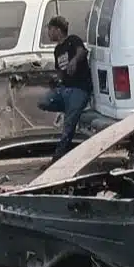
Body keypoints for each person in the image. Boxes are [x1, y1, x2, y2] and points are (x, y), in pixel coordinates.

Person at [40, 16, 93, 161]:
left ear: (57, 30)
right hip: (65, 89)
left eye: (50, 29)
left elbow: (82, 51)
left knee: (68, 127)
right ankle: (71, 110)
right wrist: (56, 79)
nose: (48, 33)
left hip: (79, 88)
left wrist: (74, 61)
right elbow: (60, 71)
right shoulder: (57, 50)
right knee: (44, 101)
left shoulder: (73, 40)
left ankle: (58, 157)